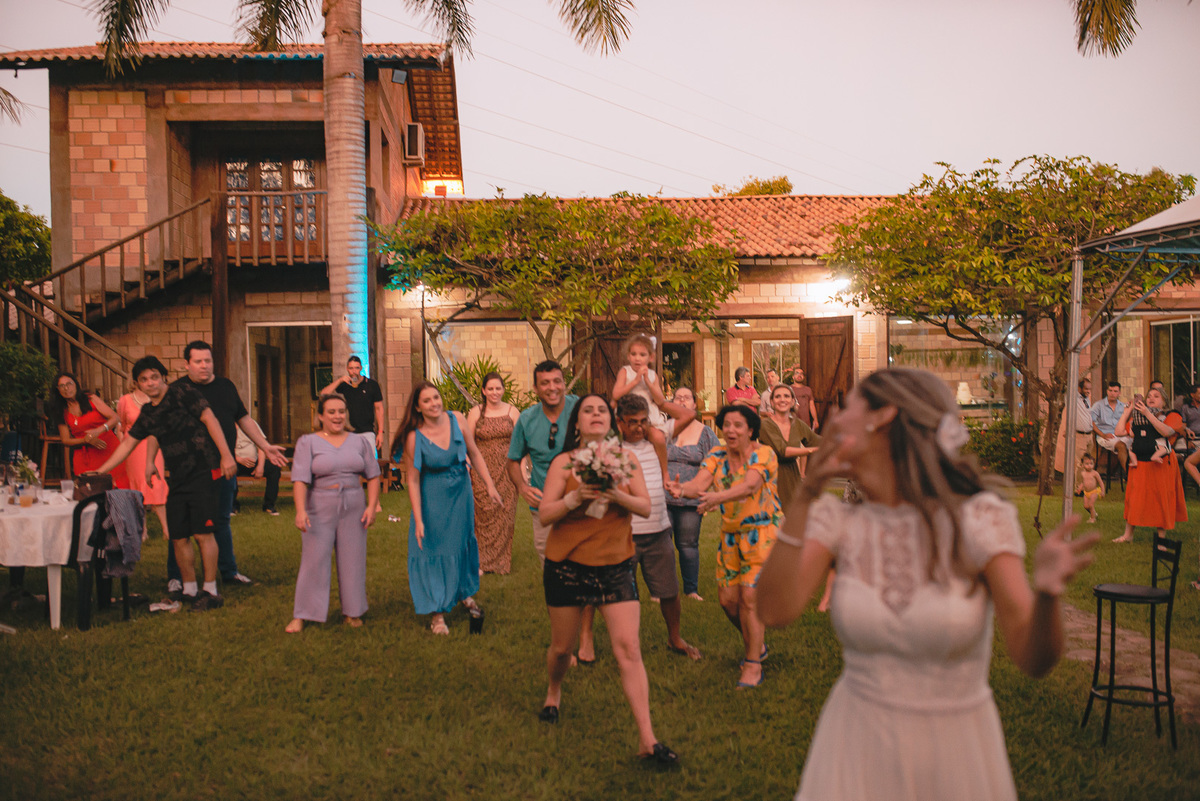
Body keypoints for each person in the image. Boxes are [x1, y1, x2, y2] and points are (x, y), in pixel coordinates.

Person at [755, 367, 1099, 801]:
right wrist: (807, 494)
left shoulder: (978, 520)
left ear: (882, 417)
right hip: (854, 744)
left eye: (849, 407)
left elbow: (1034, 661)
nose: (836, 418)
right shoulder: (839, 521)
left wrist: (1047, 594)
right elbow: (773, 610)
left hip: (956, 753)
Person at [536, 394, 678, 765]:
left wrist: (615, 493)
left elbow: (645, 506)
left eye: (602, 410)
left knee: (629, 649)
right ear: (577, 423)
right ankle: (554, 690)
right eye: (588, 410)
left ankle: (648, 739)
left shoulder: (626, 460)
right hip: (566, 565)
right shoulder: (564, 463)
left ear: (610, 421)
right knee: (562, 650)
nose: (596, 415)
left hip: (615, 564)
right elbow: (546, 514)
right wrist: (575, 498)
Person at [94, 356, 236, 611]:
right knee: (178, 536)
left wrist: (226, 456)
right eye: (144, 380)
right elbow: (130, 442)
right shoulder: (149, 412)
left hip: (204, 470)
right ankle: (190, 589)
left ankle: (210, 589)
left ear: (163, 377)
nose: (150, 383)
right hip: (179, 477)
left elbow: (210, 419)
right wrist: (100, 471)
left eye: (154, 377)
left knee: (204, 533)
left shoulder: (184, 393)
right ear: (137, 384)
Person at [667, 405, 780, 689]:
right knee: (728, 601)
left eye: (738, 425)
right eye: (726, 425)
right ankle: (757, 644)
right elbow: (699, 484)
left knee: (749, 598)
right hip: (731, 536)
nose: (730, 430)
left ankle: (752, 664)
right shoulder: (716, 455)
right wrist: (681, 490)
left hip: (763, 532)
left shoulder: (763, 454)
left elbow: (749, 487)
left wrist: (716, 498)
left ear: (751, 429)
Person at [177, 340, 287, 588]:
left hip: (224, 468)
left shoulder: (225, 386)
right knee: (182, 527)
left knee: (221, 520)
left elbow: (243, 418)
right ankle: (178, 578)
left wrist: (265, 446)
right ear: (187, 364)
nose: (204, 366)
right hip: (189, 471)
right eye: (198, 361)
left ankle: (229, 572)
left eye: (208, 360)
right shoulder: (178, 391)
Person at [395, 382, 502, 635]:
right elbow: (412, 479)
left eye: (436, 397)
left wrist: (490, 485)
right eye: (427, 401)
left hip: (460, 493)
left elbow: (474, 453)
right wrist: (419, 519)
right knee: (434, 550)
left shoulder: (458, 419)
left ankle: (463, 593)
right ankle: (438, 614)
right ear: (418, 407)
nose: (434, 403)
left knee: (461, 544)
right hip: (432, 497)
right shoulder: (414, 436)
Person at [615, 393, 701, 660]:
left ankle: (674, 638)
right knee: (619, 594)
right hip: (624, 533)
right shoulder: (611, 448)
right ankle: (623, 644)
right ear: (619, 423)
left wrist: (661, 403)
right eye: (632, 422)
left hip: (658, 529)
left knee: (669, 591)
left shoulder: (657, 439)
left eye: (644, 421)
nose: (639, 427)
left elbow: (688, 415)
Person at [286, 393, 380, 632]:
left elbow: (373, 475)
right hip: (319, 505)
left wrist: (371, 505)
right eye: (331, 412)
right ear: (320, 416)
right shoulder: (308, 442)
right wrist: (300, 511)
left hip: (354, 505)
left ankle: (353, 611)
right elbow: (299, 479)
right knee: (314, 559)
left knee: (353, 559)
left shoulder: (359, 441)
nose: (338, 416)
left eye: (341, 411)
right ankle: (304, 613)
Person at [507, 360, 580, 563]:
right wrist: (522, 487)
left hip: (581, 503)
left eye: (557, 381)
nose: (552, 387)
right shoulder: (527, 419)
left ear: (564, 384)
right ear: (536, 388)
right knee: (550, 566)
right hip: (544, 507)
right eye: (545, 383)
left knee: (584, 567)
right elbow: (513, 460)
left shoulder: (581, 409)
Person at [665, 386, 719, 601]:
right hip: (663, 496)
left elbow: (716, 462)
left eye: (687, 398)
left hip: (691, 497)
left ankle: (691, 590)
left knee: (688, 545)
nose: (682, 401)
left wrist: (714, 494)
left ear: (694, 405)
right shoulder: (662, 429)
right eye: (678, 398)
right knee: (663, 545)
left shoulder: (705, 432)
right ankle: (664, 591)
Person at [1113, 387, 1187, 543]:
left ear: (1164, 401)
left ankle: (1161, 539)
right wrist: (1127, 412)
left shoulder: (1171, 415)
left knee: (1160, 499)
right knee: (1134, 498)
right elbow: (1119, 431)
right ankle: (1128, 535)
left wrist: (1148, 413)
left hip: (1160, 463)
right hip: (1140, 462)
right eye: (1149, 396)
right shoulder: (1138, 418)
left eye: (1156, 396)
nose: (1151, 398)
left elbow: (1166, 432)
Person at [466, 372, 521, 574]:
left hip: (507, 470)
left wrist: (522, 471)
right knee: (481, 515)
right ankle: (479, 562)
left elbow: (520, 443)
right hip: (482, 471)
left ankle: (499, 563)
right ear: (483, 391)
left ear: (503, 389)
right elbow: (468, 444)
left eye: (498, 388)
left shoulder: (513, 412)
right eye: (490, 388)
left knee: (504, 514)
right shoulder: (475, 413)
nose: (494, 392)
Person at [48, 372, 128, 488]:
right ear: (57, 390)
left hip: (107, 447)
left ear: (76, 384)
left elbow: (115, 417)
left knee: (117, 488)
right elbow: (65, 440)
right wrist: (86, 440)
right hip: (84, 454)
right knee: (89, 489)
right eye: (62, 386)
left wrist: (98, 431)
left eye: (69, 384)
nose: (66, 388)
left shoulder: (91, 398)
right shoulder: (61, 410)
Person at [117, 380, 168, 539]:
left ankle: (167, 530)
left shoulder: (157, 398)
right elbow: (122, 426)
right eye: (143, 378)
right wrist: (124, 445)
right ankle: (142, 529)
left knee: (156, 484)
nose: (148, 381)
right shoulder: (125, 400)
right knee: (137, 488)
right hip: (133, 449)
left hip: (154, 447)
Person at [759, 383, 821, 506]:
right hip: (771, 478)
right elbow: (782, 451)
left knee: (794, 520)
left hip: (793, 479)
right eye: (778, 397)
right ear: (771, 402)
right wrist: (811, 450)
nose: (782, 399)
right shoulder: (765, 425)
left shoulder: (797, 424)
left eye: (786, 396)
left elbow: (819, 441)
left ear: (793, 401)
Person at [320, 355, 384, 452]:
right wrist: (340, 380)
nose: (354, 371)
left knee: (369, 463)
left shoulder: (371, 385)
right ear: (347, 369)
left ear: (361, 368)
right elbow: (323, 394)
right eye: (351, 368)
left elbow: (379, 408)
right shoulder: (345, 385)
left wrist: (380, 432)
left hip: (367, 431)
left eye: (356, 368)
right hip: (350, 432)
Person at [611, 332, 667, 430]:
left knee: (657, 437)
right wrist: (635, 381)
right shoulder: (625, 371)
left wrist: (648, 382)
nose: (637, 358)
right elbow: (616, 395)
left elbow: (660, 400)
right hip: (627, 411)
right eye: (633, 354)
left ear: (651, 358)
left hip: (648, 413)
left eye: (642, 355)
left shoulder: (652, 375)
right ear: (628, 356)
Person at [233, 423, 282, 516]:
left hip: (253, 462)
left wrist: (260, 466)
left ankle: (269, 506)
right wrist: (238, 459)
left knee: (274, 468)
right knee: (228, 470)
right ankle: (232, 506)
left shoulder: (250, 424)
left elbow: (261, 446)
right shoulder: (224, 424)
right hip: (235, 462)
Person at [1054, 377, 1094, 474]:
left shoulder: (1086, 399)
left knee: (1089, 463)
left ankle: (1088, 487)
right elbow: (1065, 387)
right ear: (1079, 388)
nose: (1088, 391)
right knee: (1081, 464)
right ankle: (1079, 488)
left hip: (1089, 436)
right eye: (1086, 389)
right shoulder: (1072, 397)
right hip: (1080, 436)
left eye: (1090, 389)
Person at [1091, 380, 1130, 470]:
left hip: (1120, 435)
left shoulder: (1123, 406)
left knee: (1137, 444)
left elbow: (1128, 421)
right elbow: (1091, 422)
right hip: (1105, 435)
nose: (1112, 393)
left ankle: (1135, 475)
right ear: (1107, 391)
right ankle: (1128, 475)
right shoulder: (1098, 405)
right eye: (1110, 390)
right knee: (1121, 446)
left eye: (1115, 391)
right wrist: (1102, 434)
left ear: (1119, 393)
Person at [789, 366, 820, 432]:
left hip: (806, 422)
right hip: (792, 422)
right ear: (793, 377)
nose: (799, 375)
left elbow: (811, 405)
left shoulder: (808, 390)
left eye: (801, 373)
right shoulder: (788, 389)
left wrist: (815, 420)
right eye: (797, 373)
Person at [1078, 453, 1104, 524]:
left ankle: (1093, 519)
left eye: (1091, 463)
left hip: (1094, 492)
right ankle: (1094, 513)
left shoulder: (1095, 473)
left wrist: (1103, 491)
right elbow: (1083, 482)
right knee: (1086, 506)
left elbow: (1101, 482)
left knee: (1091, 505)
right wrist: (1080, 488)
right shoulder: (1083, 473)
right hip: (1086, 492)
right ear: (1082, 465)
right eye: (1087, 464)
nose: (1089, 465)